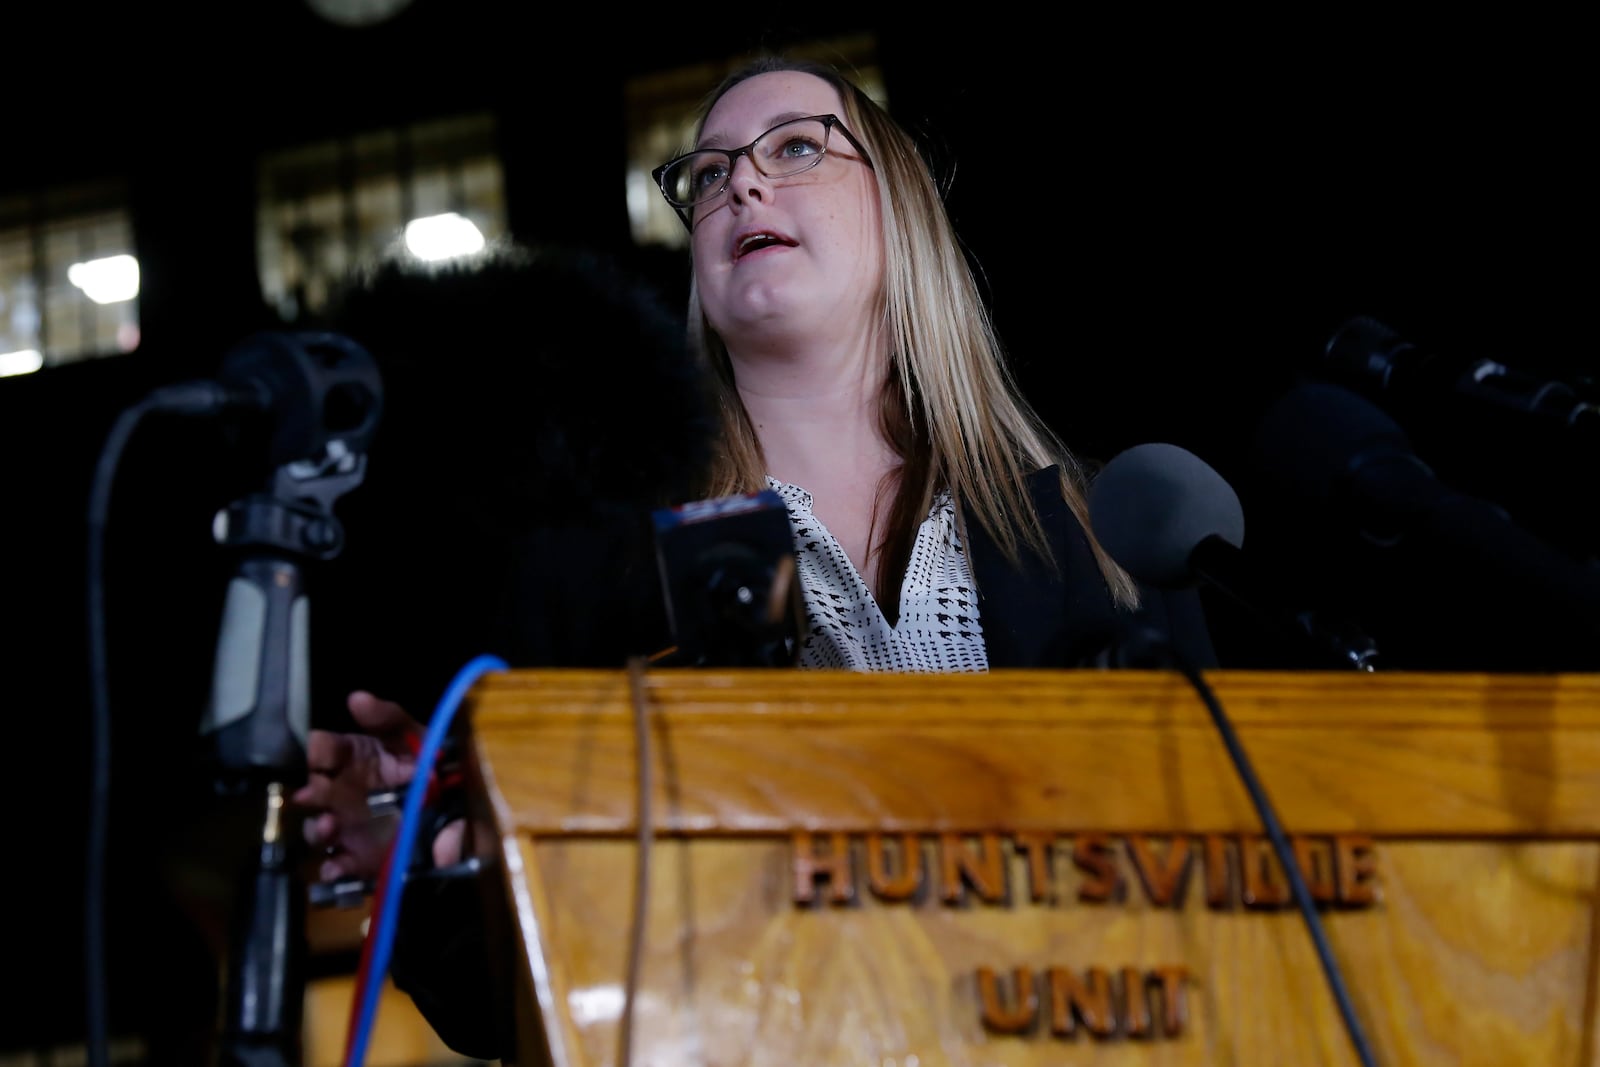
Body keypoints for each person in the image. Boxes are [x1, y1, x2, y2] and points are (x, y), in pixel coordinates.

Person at [292, 53, 1217, 1058]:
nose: (742, 181)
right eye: (708, 172)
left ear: (899, 209)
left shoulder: (1103, 531)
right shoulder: (598, 569)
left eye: (795, 148)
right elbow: (510, 1004)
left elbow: (1214, 892)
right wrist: (424, 859)